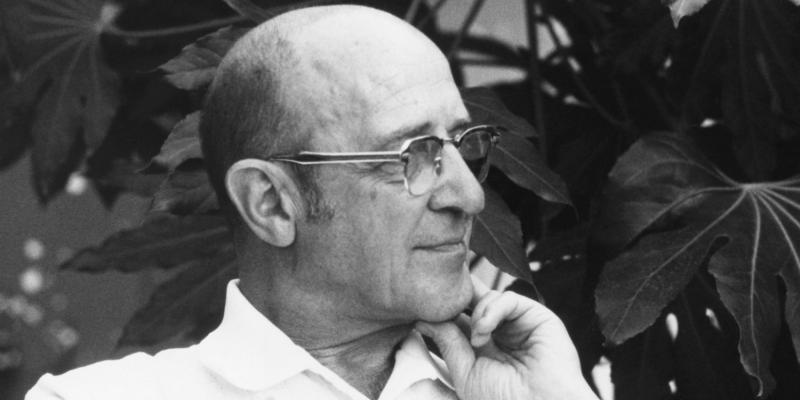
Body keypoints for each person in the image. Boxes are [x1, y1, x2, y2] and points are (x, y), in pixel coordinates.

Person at [27, 5, 598, 400]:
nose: (471, 196)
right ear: (272, 203)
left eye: (465, 144)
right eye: (412, 155)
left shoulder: (514, 391)